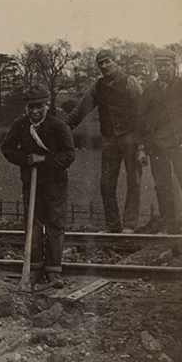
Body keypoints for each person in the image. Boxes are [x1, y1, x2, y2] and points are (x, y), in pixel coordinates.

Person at [65, 49, 147, 233]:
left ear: (115, 62)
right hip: (110, 140)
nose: (104, 66)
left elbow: (143, 114)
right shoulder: (98, 86)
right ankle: (112, 226)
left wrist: (142, 144)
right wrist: (65, 127)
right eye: (100, 63)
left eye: (107, 62)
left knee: (134, 183)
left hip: (130, 139)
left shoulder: (129, 82)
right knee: (106, 185)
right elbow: (81, 109)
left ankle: (130, 225)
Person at [2, 85, 76, 287]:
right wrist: (26, 159)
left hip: (55, 184)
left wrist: (43, 159)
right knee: (33, 225)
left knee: (54, 225)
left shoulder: (58, 126)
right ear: (25, 108)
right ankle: (34, 268)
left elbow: (69, 155)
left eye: (39, 106)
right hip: (30, 183)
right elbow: (7, 149)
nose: (34, 111)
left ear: (48, 105)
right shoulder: (20, 125)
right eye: (30, 107)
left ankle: (53, 271)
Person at [140, 49, 182, 234]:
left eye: (167, 65)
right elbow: (142, 121)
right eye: (159, 66)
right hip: (158, 147)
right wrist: (142, 148)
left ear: (174, 66)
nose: (163, 69)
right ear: (155, 67)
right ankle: (168, 225)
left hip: (181, 147)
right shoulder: (149, 90)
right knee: (162, 187)